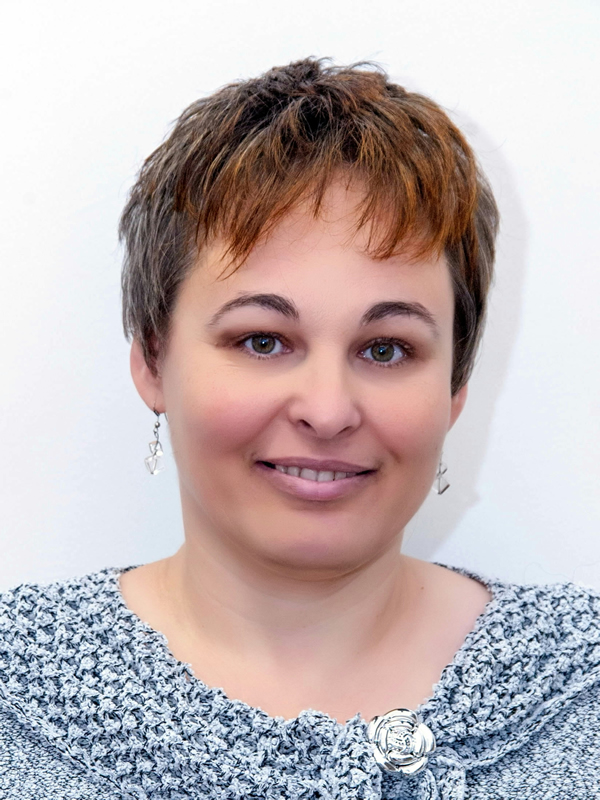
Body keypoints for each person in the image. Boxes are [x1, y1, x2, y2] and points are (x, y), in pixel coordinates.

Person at [1, 58, 599, 800]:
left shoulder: (582, 693)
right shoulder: (16, 703)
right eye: (263, 341)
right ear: (153, 360)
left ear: (454, 388)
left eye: (386, 349)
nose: (327, 409)